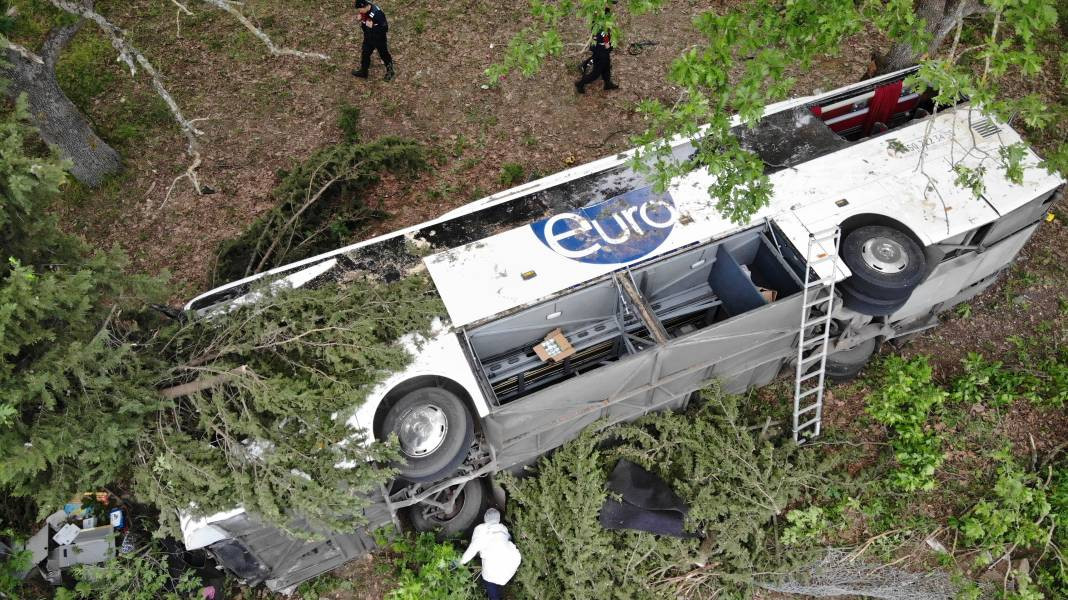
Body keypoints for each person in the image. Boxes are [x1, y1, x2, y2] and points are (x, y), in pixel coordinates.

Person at [459, 508, 521, 600]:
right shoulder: (503, 528)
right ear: (498, 519)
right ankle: (500, 592)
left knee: (492, 586)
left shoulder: (481, 529)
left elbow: (472, 549)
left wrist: (460, 562)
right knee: (500, 580)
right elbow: (508, 539)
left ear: (485, 518)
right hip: (511, 562)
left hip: (492, 570)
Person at [574, 9, 619, 94]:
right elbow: (606, 42)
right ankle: (580, 84)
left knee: (606, 68)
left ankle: (607, 83)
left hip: (598, 49)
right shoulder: (603, 30)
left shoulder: (596, 22)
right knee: (596, 73)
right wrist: (610, 47)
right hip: (601, 52)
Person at [352, 0, 395, 81]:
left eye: (360, 9)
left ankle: (390, 71)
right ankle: (364, 72)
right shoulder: (364, 11)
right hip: (368, 37)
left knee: (384, 54)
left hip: (379, 39)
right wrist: (360, 18)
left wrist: (373, 27)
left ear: (365, 6)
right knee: (365, 53)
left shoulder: (378, 13)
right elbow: (364, 18)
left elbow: (385, 28)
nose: (359, 11)